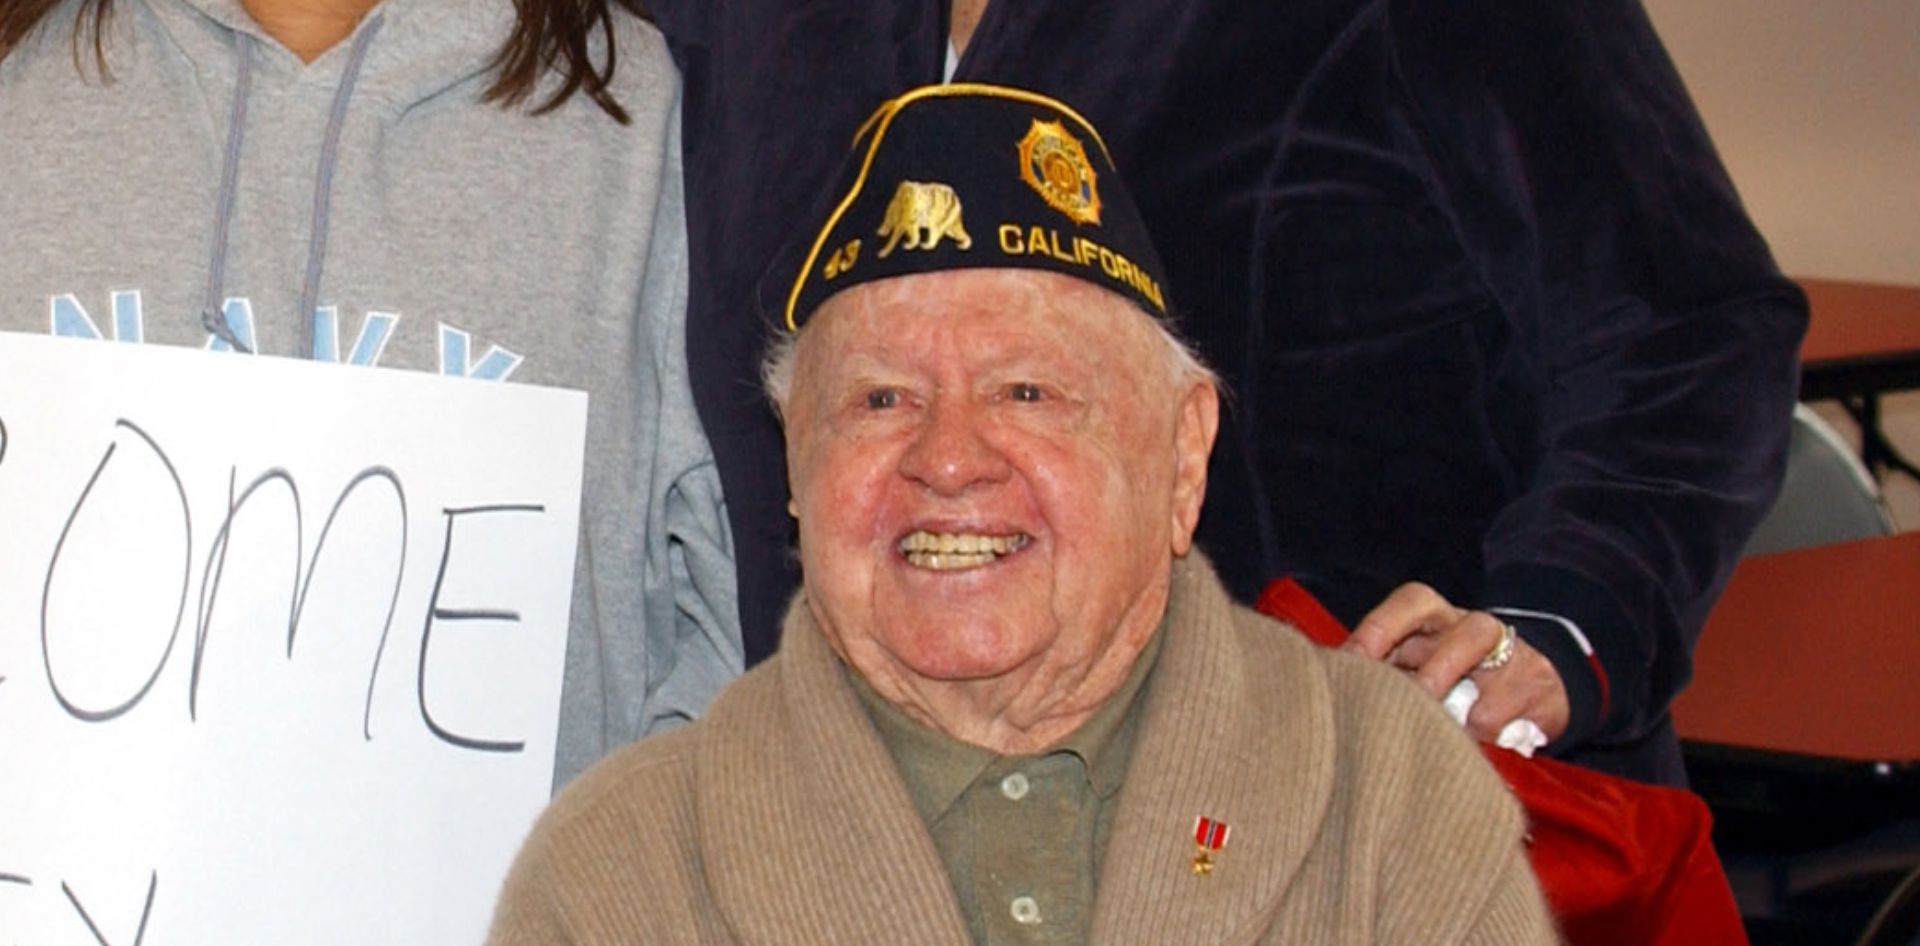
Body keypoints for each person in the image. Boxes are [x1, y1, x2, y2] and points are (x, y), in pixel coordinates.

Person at [447, 86, 1603, 946]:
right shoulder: (616, 875)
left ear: (1183, 454)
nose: (948, 458)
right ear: (794, 466)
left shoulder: (1389, 803)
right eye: (879, 400)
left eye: (1029, 394)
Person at [646, 0, 1806, 786]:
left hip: (1335, 854)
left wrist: (1570, 617)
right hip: (869, 870)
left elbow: (1685, 325)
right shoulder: (720, 24)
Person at [0, 0, 742, 788]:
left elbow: (746, 657)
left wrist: (613, 888)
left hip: (542, 907)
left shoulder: (656, 120)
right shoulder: (20, 91)